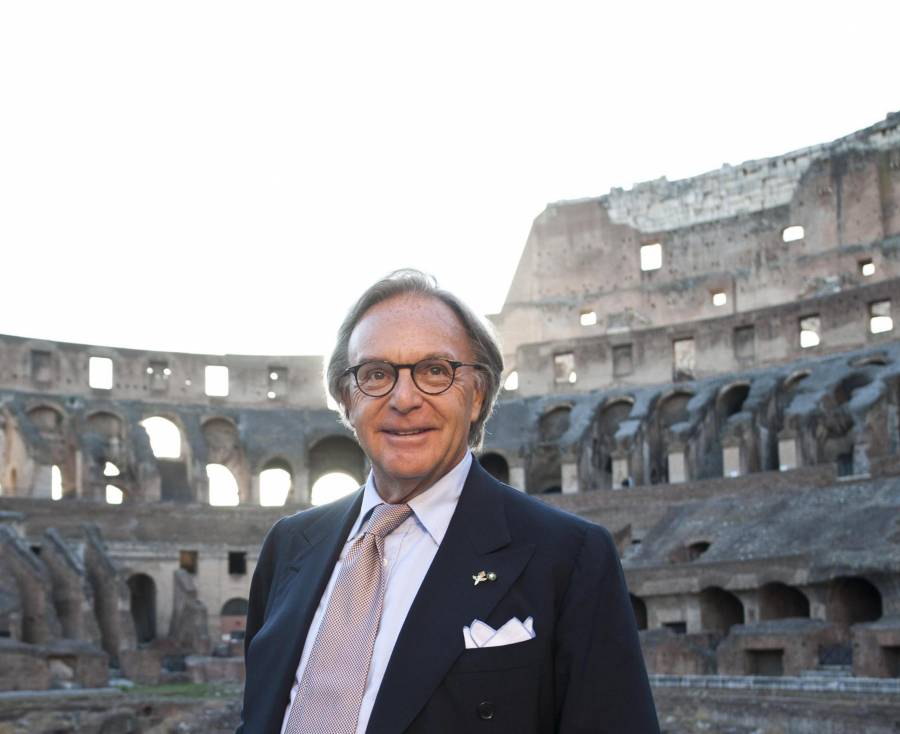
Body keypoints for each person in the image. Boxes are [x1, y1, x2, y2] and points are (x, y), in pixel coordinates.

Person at [238, 270, 659, 733]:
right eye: (375, 374)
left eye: (435, 371)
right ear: (346, 397)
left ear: (477, 395)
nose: (404, 398)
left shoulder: (569, 557)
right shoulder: (289, 546)